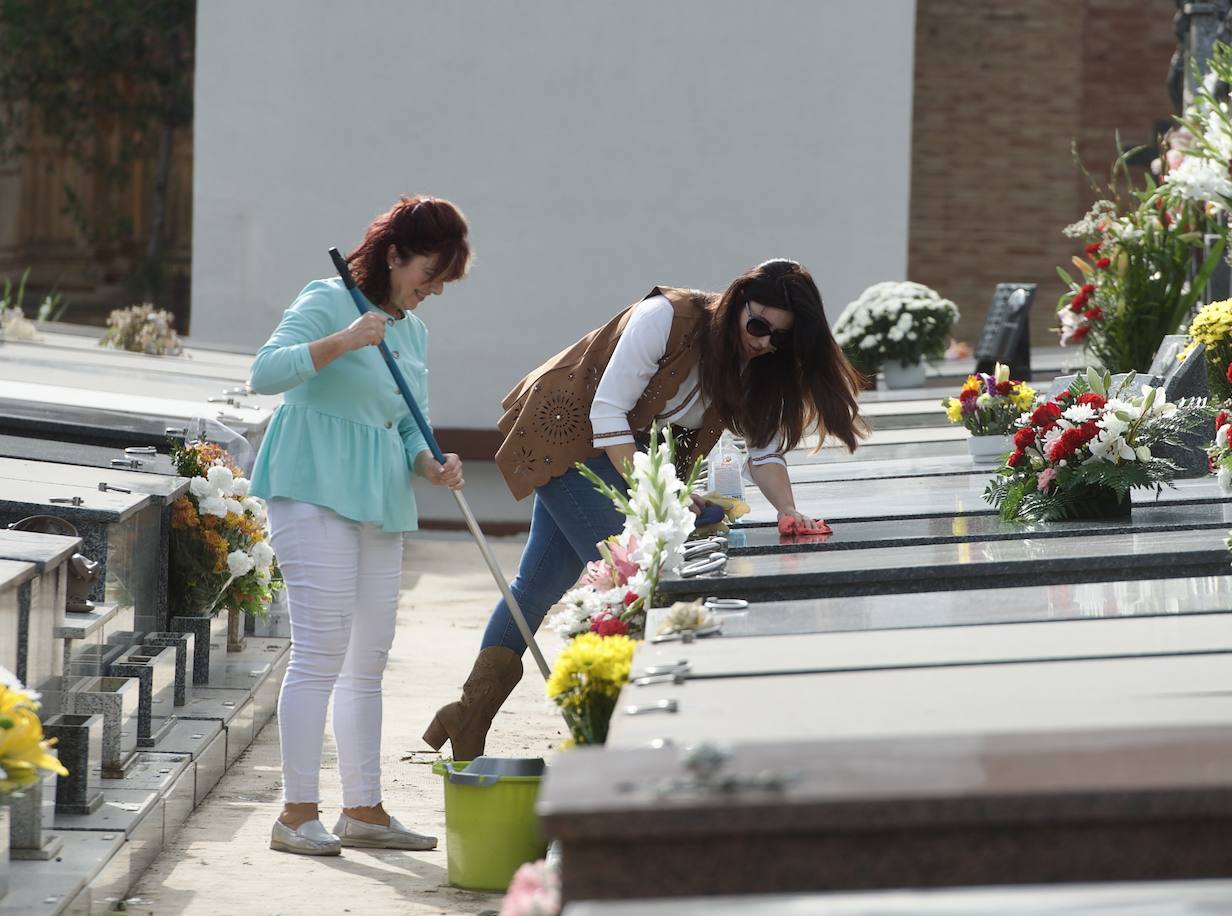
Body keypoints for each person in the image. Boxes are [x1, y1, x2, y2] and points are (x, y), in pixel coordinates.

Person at [421, 258, 866, 757]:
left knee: (540, 583)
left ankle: (467, 715)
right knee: (636, 584)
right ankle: (612, 733)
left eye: (780, 339)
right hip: (576, 440)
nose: (764, 343)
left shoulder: (758, 365)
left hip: (627, 455)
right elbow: (608, 413)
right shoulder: (665, 317)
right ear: (738, 301)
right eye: (758, 326)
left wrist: (789, 509)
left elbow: (763, 454)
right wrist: (658, 496)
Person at [249, 196, 469, 856]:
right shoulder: (326, 298)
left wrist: (431, 462)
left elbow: (407, 422)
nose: (429, 292)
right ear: (395, 254)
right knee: (320, 651)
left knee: (369, 658)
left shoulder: (413, 332)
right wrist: (344, 339)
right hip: (312, 485)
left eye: (439, 283)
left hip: (378, 496)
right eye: (425, 274)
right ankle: (295, 813)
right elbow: (265, 372)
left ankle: (364, 810)